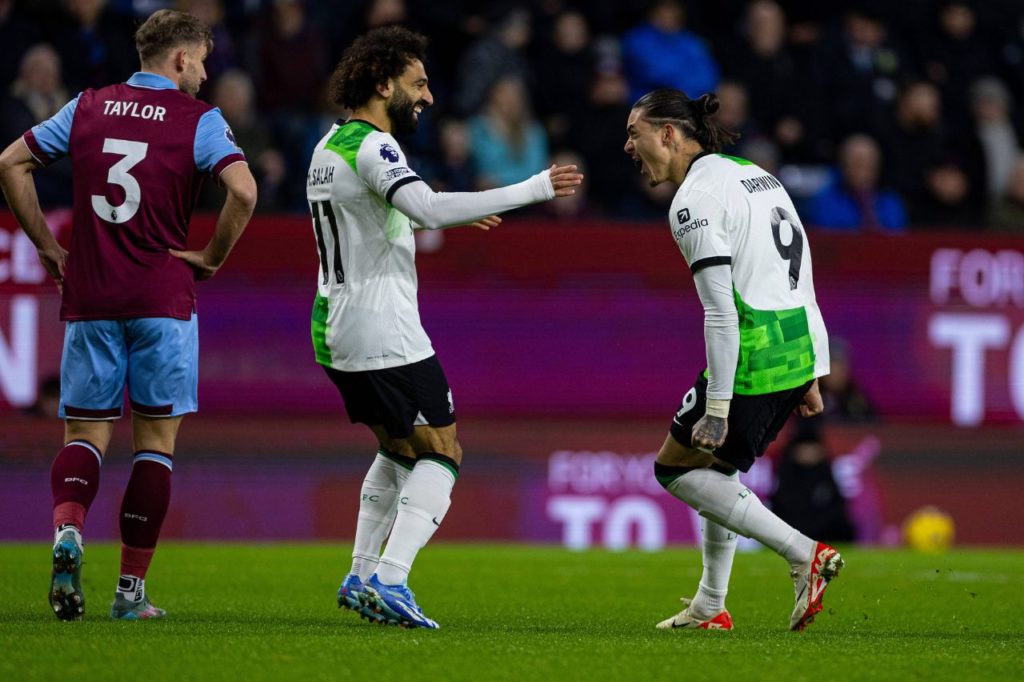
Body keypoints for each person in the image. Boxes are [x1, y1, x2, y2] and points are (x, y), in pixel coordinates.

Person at [308, 25, 581, 630]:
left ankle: (359, 574)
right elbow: (424, 206)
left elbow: (383, 219)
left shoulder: (328, 146)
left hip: (335, 325)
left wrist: (454, 214)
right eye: (418, 83)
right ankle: (392, 579)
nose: (427, 97)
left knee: (398, 448)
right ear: (383, 84)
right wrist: (531, 188)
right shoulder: (375, 146)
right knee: (444, 450)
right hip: (384, 326)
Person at [0, 9, 257, 621]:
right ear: (178, 59)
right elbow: (244, 190)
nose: (203, 71)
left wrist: (45, 244)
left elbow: (11, 161)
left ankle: (67, 532)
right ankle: (129, 593)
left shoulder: (88, 106)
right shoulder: (199, 119)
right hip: (162, 299)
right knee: (154, 447)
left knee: (86, 434)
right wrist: (213, 256)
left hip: (91, 295)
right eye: (199, 59)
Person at [622, 87, 843, 632]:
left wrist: (717, 406)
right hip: (798, 344)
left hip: (754, 356)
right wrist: (813, 369)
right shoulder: (753, 172)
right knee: (718, 472)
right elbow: (797, 267)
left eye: (635, 133)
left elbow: (720, 312)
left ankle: (801, 553)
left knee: (674, 469)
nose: (628, 145)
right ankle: (709, 604)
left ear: (669, 135)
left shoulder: (692, 202)